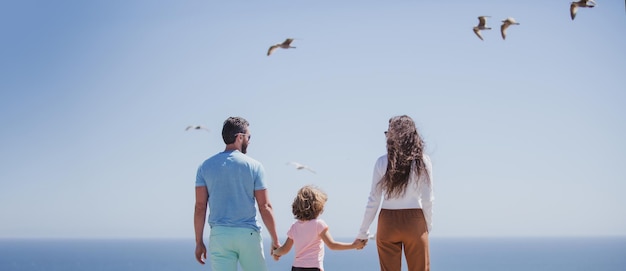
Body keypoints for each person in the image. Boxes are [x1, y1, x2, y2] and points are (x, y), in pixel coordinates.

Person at [194, 116, 281, 271]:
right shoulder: (255, 166)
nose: (250, 140)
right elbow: (265, 206)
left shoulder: (204, 167)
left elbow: (200, 206)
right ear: (239, 137)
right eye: (249, 136)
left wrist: (199, 242)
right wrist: (275, 240)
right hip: (248, 235)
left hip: (220, 236)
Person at [356, 115, 434, 271]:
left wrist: (363, 232)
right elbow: (428, 199)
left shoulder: (381, 162)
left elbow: (374, 199)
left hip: (387, 222)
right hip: (415, 221)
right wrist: (427, 226)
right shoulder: (422, 161)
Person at [273, 185, 367, 271]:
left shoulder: (294, 227)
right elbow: (332, 245)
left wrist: (276, 252)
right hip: (314, 268)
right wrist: (354, 245)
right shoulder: (319, 224)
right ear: (317, 207)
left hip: (297, 268)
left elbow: (284, 249)